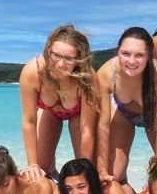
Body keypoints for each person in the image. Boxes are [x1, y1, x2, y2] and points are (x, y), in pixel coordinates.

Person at [96, 27, 157, 194]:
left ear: (149, 56)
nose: (131, 61)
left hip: (154, 118)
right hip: (123, 114)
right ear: (118, 52)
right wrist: (101, 168)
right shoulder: (106, 73)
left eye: (139, 55)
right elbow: (102, 126)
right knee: (112, 177)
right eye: (125, 54)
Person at [19, 24, 99, 182]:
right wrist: (32, 164)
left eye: (69, 59)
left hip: (79, 116)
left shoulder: (87, 77)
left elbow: (87, 128)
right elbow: (29, 121)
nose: (60, 64)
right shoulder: (32, 72)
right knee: (41, 170)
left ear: (78, 60)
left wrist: (86, 167)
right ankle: (53, 174)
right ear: (48, 50)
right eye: (56, 55)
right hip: (49, 112)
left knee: (85, 169)